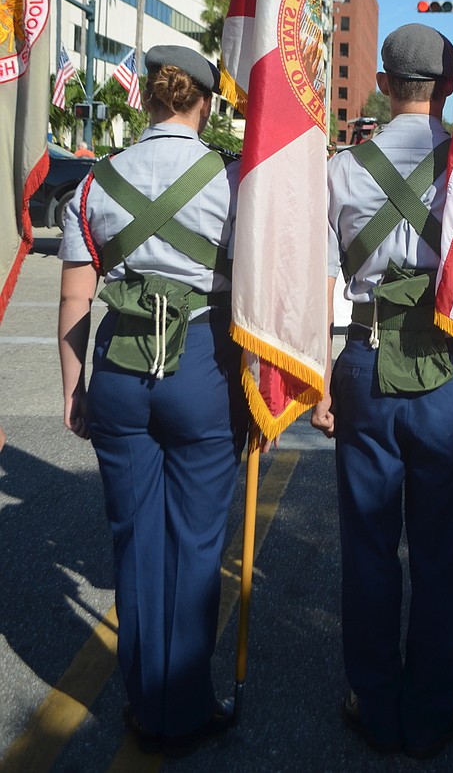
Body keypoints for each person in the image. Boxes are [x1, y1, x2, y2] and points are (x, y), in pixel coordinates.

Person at [317, 24, 453, 760]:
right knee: (437, 550)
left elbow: (316, 280)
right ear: (451, 83)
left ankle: (373, 699)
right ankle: (432, 705)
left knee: (368, 545)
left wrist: (313, 377)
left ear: (381, 78)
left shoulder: (340, 170)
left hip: (365, 364)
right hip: (449, 374)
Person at [57, 45, 246, 757]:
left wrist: (73, 386)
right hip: (203, 363)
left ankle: (145, 703)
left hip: (120, 366)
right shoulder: (234, 180)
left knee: (136, 543)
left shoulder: (94, 184)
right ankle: (187, 704)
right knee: (197, 546)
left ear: (147, 100)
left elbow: (77, 296)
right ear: (203, 102)